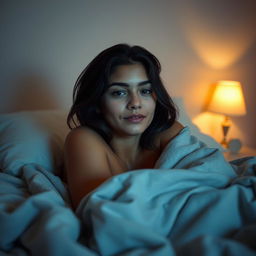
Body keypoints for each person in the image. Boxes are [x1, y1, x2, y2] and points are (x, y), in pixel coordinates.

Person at [64, 44, 183, 209]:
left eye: (146, 91)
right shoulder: (83, 139)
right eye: (119, 92)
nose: (135, 103)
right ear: (98, 101)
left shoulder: (170, 132)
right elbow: (98, 212)